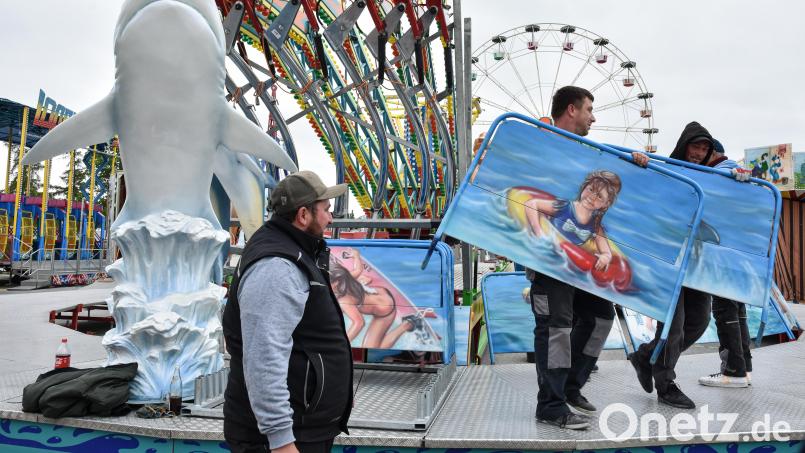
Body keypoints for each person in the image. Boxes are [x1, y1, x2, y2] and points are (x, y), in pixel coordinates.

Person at [527, 86, 646, 429]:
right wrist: (537, 233)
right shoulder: (543, 140)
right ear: (571, 110)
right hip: (550, 266)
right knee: (557, 328)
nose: (593, 117)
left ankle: (570, 387)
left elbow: (603, 214)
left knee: (599, 317)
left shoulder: (587, 155)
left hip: (582, 266)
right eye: (589, 109)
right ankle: (550, 404)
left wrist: (632, 161)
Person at [222, 171, 353, 453]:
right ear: (303, 215)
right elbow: (264, 358)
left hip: (304, 428)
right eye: (327, 210)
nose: (331, 218)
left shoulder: (296, 252)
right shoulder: (276, 267)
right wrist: (282, 440)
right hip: (285, 439)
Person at [627, 121, 718, 409]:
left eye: (705, 149)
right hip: (666, 261)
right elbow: (637, 190)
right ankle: (665, 384)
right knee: (674, 325)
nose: (699, 153)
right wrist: (638, 163)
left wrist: (740, 175)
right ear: (684, 145)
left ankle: (645, 356)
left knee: (700, 320)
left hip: (695, 265)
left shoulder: (711, 176)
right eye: (696, 146)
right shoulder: (662, 169)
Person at [697, 139, 753, 388]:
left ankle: (733, 370)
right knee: (738, 310)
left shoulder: (717, 173)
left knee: (724, 310)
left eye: (703, 152)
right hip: (740, 254)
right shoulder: (736, 172)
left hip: (723, 255)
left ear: (713, 154)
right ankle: (744, 367)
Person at [330, 248, 416, 349]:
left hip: (384, 309)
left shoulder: (343, 300)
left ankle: (408, 324)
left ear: (336, 282)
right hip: (380, 293)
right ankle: (409, 322)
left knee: (371, 347)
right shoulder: (345, 278)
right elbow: (358, 269)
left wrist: (341, 345)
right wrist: (356, 255)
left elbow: (359, 323)